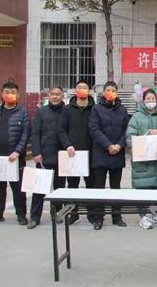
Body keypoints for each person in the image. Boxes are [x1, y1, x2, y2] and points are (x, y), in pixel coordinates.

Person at [0, 80, 31, 225]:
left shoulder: (22, 112)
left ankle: (21, 215)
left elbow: (26, 134)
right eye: (7, 92)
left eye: (13, 92)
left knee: (18, 189)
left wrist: (18, 151)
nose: (9, 95)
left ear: (18, 95)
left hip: (15, 158)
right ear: (2, 94)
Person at [87, 81, 129, 230]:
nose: (110, 92)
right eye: (108, 90)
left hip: (117, 153)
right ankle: (98, 217)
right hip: (101, 153)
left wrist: (119, 145)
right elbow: (94, 129)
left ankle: (117, 216)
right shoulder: (96, 109)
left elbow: (127, 130)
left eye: (113, 90)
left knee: (115, 187)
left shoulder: (122, 109)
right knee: (99, 187)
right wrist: (108, 145)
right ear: (103, 93)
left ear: (116, 93)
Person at [126, 88, 157, 230]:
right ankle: (143, 215)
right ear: (143, 101)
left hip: (156, 160)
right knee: (142, 189)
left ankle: (155, 212)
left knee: (155, 188)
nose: (151, 101)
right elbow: (129, 138)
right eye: (148, 99)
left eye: (153, 99)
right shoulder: (136, 117)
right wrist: (147, 134)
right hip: (142, 161)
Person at [27, 85, 67, 229]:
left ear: (62, 96)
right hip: (44, 156)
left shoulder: (67, 111)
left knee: (59, 188)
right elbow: (35, 133)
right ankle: (35, 217)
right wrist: (36, 152)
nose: (55, 96)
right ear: (48, 96)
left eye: (58, 94)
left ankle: (57, 214)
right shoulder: (41, 112)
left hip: (62, 156)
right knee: (39, 188)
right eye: (52, 94)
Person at [59, 80, 95, 225]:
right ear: (75, 90)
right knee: (72, 186)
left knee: (91, 186)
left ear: (89, 91)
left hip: (91, 153)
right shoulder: (67, 109)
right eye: (79, 87)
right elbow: (61, 129)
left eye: (85, 88)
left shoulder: (95, 108)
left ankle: (92, 215)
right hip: (72, 154)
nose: (82, 90)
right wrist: (67, 145)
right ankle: (73, 214)